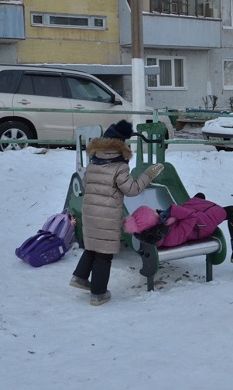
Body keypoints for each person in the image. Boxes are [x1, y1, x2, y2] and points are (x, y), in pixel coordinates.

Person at [69, 120, 164, 306]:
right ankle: (98, 294)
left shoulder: (93, 162)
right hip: (107, 215)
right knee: (104, 253)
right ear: (121, 145)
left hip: (89, 211)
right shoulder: (119, 167)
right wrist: (148, 175)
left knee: (92, 246)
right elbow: (132, 190)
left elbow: (87, 184)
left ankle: (79, 277)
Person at [123, 193, 233, 265]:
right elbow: (190, 218)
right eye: (153, 213)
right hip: (201, 227)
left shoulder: (162, 229)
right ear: (153, 224)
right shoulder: (171, 236)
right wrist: (173, 211)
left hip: (193, 222)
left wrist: (172, 214)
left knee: (199, 196)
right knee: (231, 211)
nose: (156, 211)